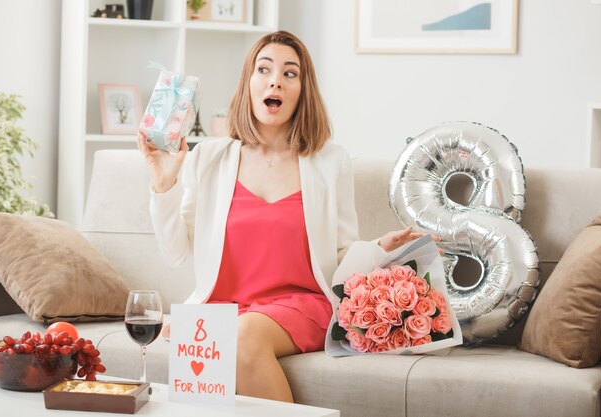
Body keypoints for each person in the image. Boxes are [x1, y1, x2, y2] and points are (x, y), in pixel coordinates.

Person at [139, 30, 432, 403]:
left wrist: (378, 248)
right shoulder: (208, 157)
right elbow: (177, 252)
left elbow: (341, 254)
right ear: (248, 83)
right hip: (222, 309)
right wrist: (164, 184)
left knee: (243, 337)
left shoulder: (330, 162)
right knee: (221, 348)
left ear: (301, 91)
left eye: (289, 73)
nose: (275, 79)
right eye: (264, 69)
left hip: (300, 305)